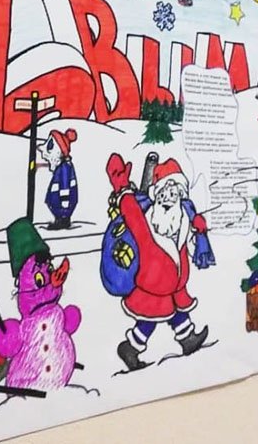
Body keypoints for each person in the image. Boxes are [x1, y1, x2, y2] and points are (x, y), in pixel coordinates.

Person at [106, 154, 209, 370]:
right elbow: (131, 212)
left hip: (174, 284)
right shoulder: (147, 223)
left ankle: (187, 339)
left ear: (180, 195)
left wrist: (198, 231)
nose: (168, 198)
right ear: (156, 195)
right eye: (163, 193)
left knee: (177, 310)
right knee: (149, 320)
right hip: (152, 287)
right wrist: (123, 189)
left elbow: (189, 244)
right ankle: (130, 348)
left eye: (173, 193)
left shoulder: (182, 220)